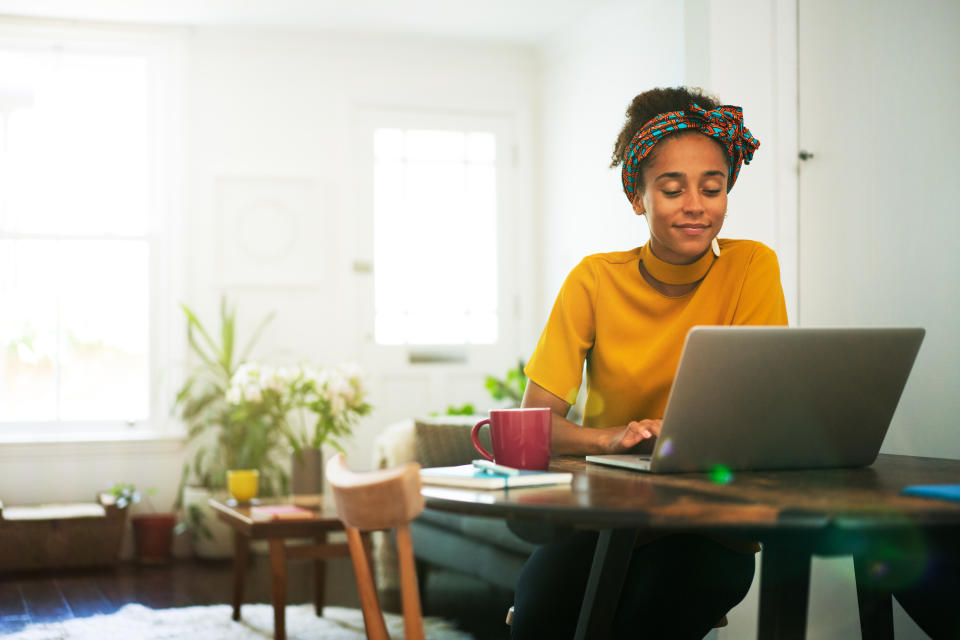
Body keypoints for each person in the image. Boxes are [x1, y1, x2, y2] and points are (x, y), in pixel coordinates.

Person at [510, 86, 788, 639]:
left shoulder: (752, 266)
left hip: (708, 524)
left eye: (712, 188)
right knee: (537, 622)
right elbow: (531, 427)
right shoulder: (594, 279)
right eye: (672, 188)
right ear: (637, 197)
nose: (696, 205)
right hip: (606, 517)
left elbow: (764, 413)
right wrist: (611, 439)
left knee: (639, 623)